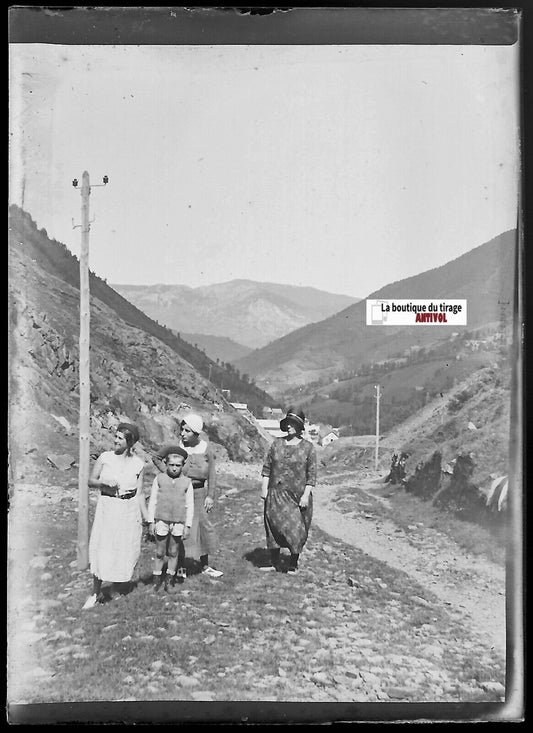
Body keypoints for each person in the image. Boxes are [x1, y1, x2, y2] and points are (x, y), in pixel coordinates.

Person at [83, 423, 147, 609]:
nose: (115, 440)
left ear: (129, 442)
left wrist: (146, 518)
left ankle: (115, 588)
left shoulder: (138, 464)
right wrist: (104, 482)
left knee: (123, 547)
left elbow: (140, 492)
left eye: (119, 438)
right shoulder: (105, 458)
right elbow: (90, 481)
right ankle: (95, 592)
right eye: (116, 436)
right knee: (102, 546)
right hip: (108, 506)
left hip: (128, 508)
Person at [154, 413, 222, 578]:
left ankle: (204, 565)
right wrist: (169, 473)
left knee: (203, 528)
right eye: (182, 430)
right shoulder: (177, 447)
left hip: (199, 493)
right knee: (180, 528)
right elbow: (156, 457)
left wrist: (210, 496)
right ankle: (180, 567)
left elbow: (212, 474)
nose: (182, 434)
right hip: (181, 494)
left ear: (196, 433)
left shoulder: (206, 448)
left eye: (187, 431)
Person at [260, 407, 317, 573]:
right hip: (275, 495)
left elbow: (311, 475)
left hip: (296, 496)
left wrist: (305, 496)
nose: (290, 426)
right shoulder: (276, 444)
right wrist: (264, 489)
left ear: (299, 426)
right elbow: (267, 468)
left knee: (295, 529)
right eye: (288, 423)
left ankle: (293, 563)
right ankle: (274, 562)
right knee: (273, 528)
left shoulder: (308, 448)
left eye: (293, 423)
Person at [147, 448, 194, 591]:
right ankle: (156, 580)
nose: (174, 468)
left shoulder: (187, 482)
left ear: (182, 466)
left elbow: (189, 505)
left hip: (179, 520)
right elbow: (153, 501)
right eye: (171, 465)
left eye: (178, 465)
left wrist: (188, 526)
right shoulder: (159, 479)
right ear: (166, 464)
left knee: (174, 551)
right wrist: (151, 521)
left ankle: (169, 580)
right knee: (160, 552)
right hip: (162, 519)